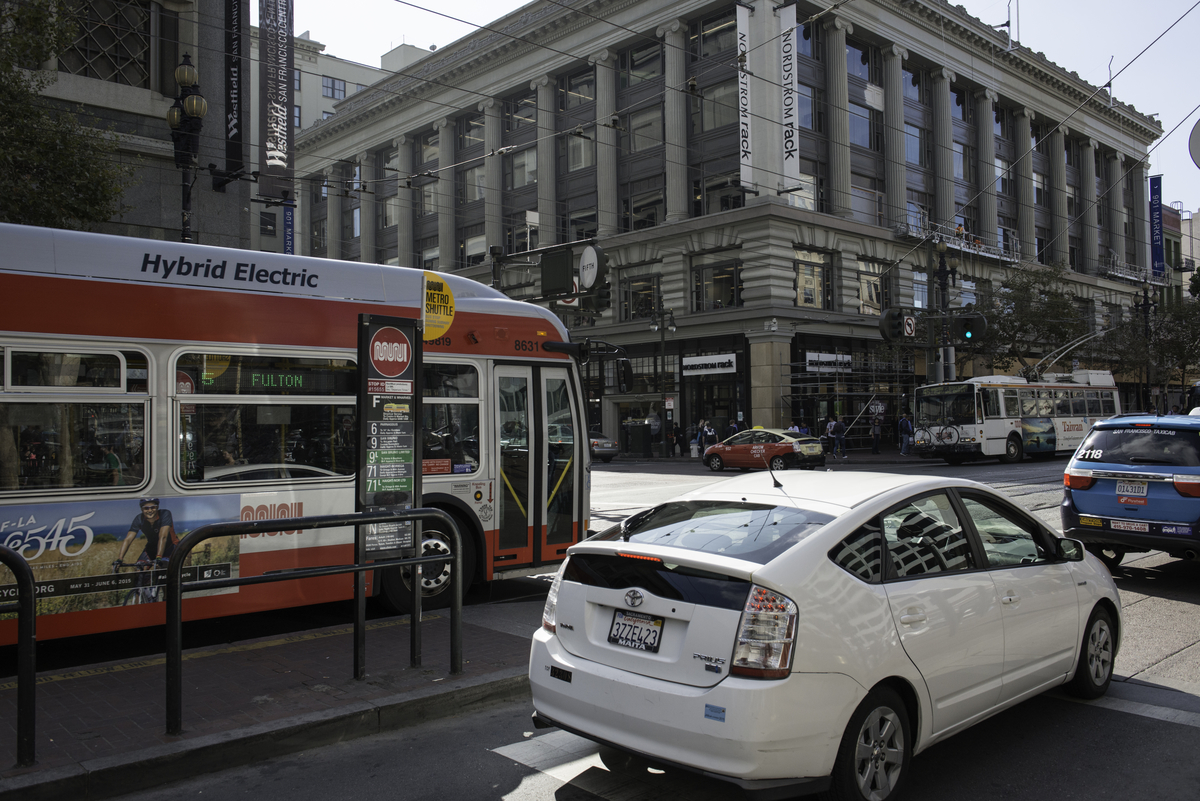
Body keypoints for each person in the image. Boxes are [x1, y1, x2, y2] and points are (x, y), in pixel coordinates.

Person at [115, 498, 177, 566]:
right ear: (142, 509)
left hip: (170, 546)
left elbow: (163, 537)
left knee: (163, 566)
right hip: (151, 548)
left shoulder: (165, 514)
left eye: (153, 507)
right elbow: (128, 539)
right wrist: (120, 559)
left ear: (157, 507)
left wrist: (159, 557)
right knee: (139, 568)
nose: (150, 510)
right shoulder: (139, 519)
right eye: (146, 508)